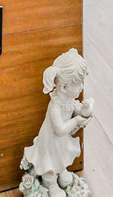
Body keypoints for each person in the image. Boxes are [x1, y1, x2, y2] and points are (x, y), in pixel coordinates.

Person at [22, 49, 93, 197]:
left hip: (60, 143)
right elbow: (60, 129)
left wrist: (85, 109)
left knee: (60, 158)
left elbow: (78, 110)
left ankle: (62, 172)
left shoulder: (68, 100)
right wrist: (76, 120)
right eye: (79, 83)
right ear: (64, 87)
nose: (82, 87)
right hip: (50, 143)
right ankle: (52, 184)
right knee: (50, 164)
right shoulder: (55, 106)